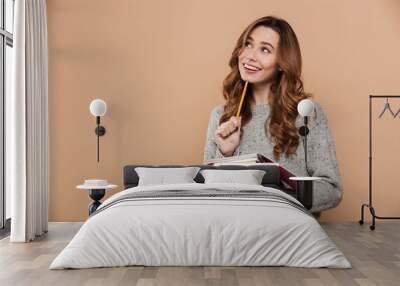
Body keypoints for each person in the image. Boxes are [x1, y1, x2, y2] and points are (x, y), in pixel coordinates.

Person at [203, 16, 342, 213]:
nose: (250, 56)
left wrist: (275, 196)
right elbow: (208, 192)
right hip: (236, 229)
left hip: (291, 232)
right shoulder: (220, 115)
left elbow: (331, 189)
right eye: (248, 45)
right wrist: (225, 153)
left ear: (281, 63)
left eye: (265, 49)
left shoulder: (306, 113)